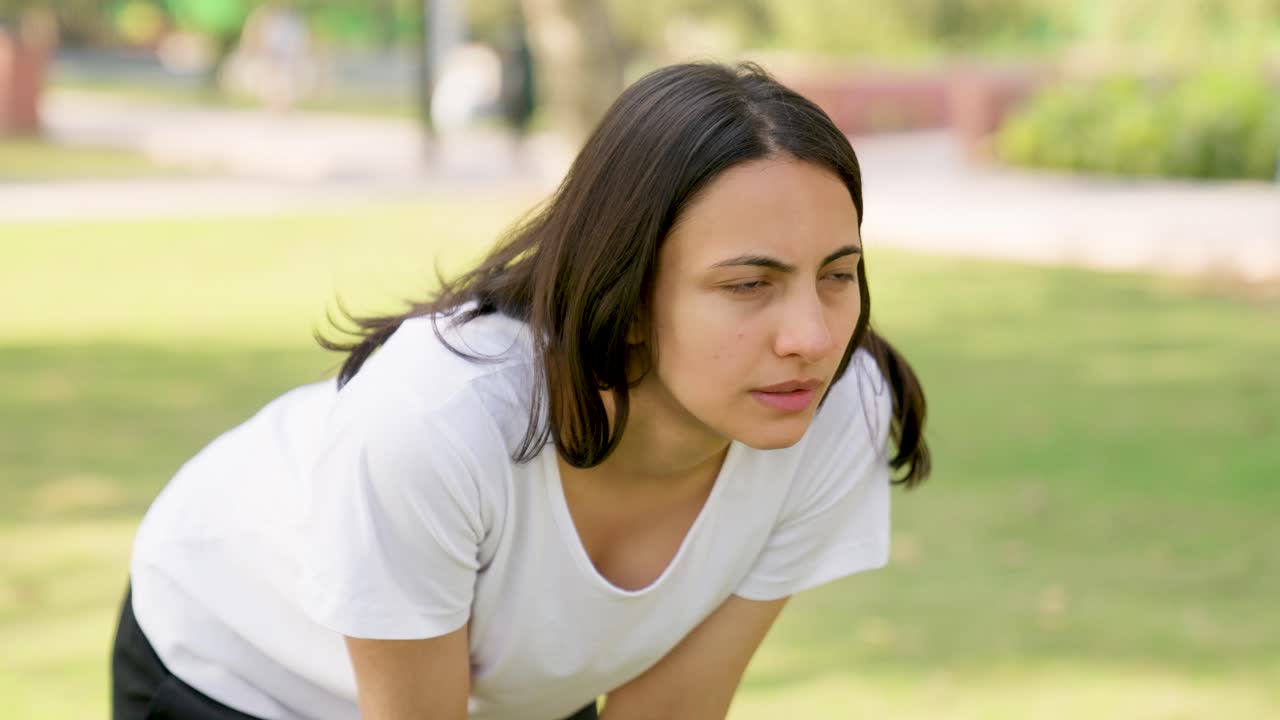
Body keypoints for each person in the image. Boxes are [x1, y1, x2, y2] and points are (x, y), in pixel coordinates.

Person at [111, 61, 931, 720]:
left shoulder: (837, 410)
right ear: (625, 293)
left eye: (838, 275)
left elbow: (672, 708)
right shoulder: (433, 423)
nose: (812, 337)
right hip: (242, 663)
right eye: (749, 285)